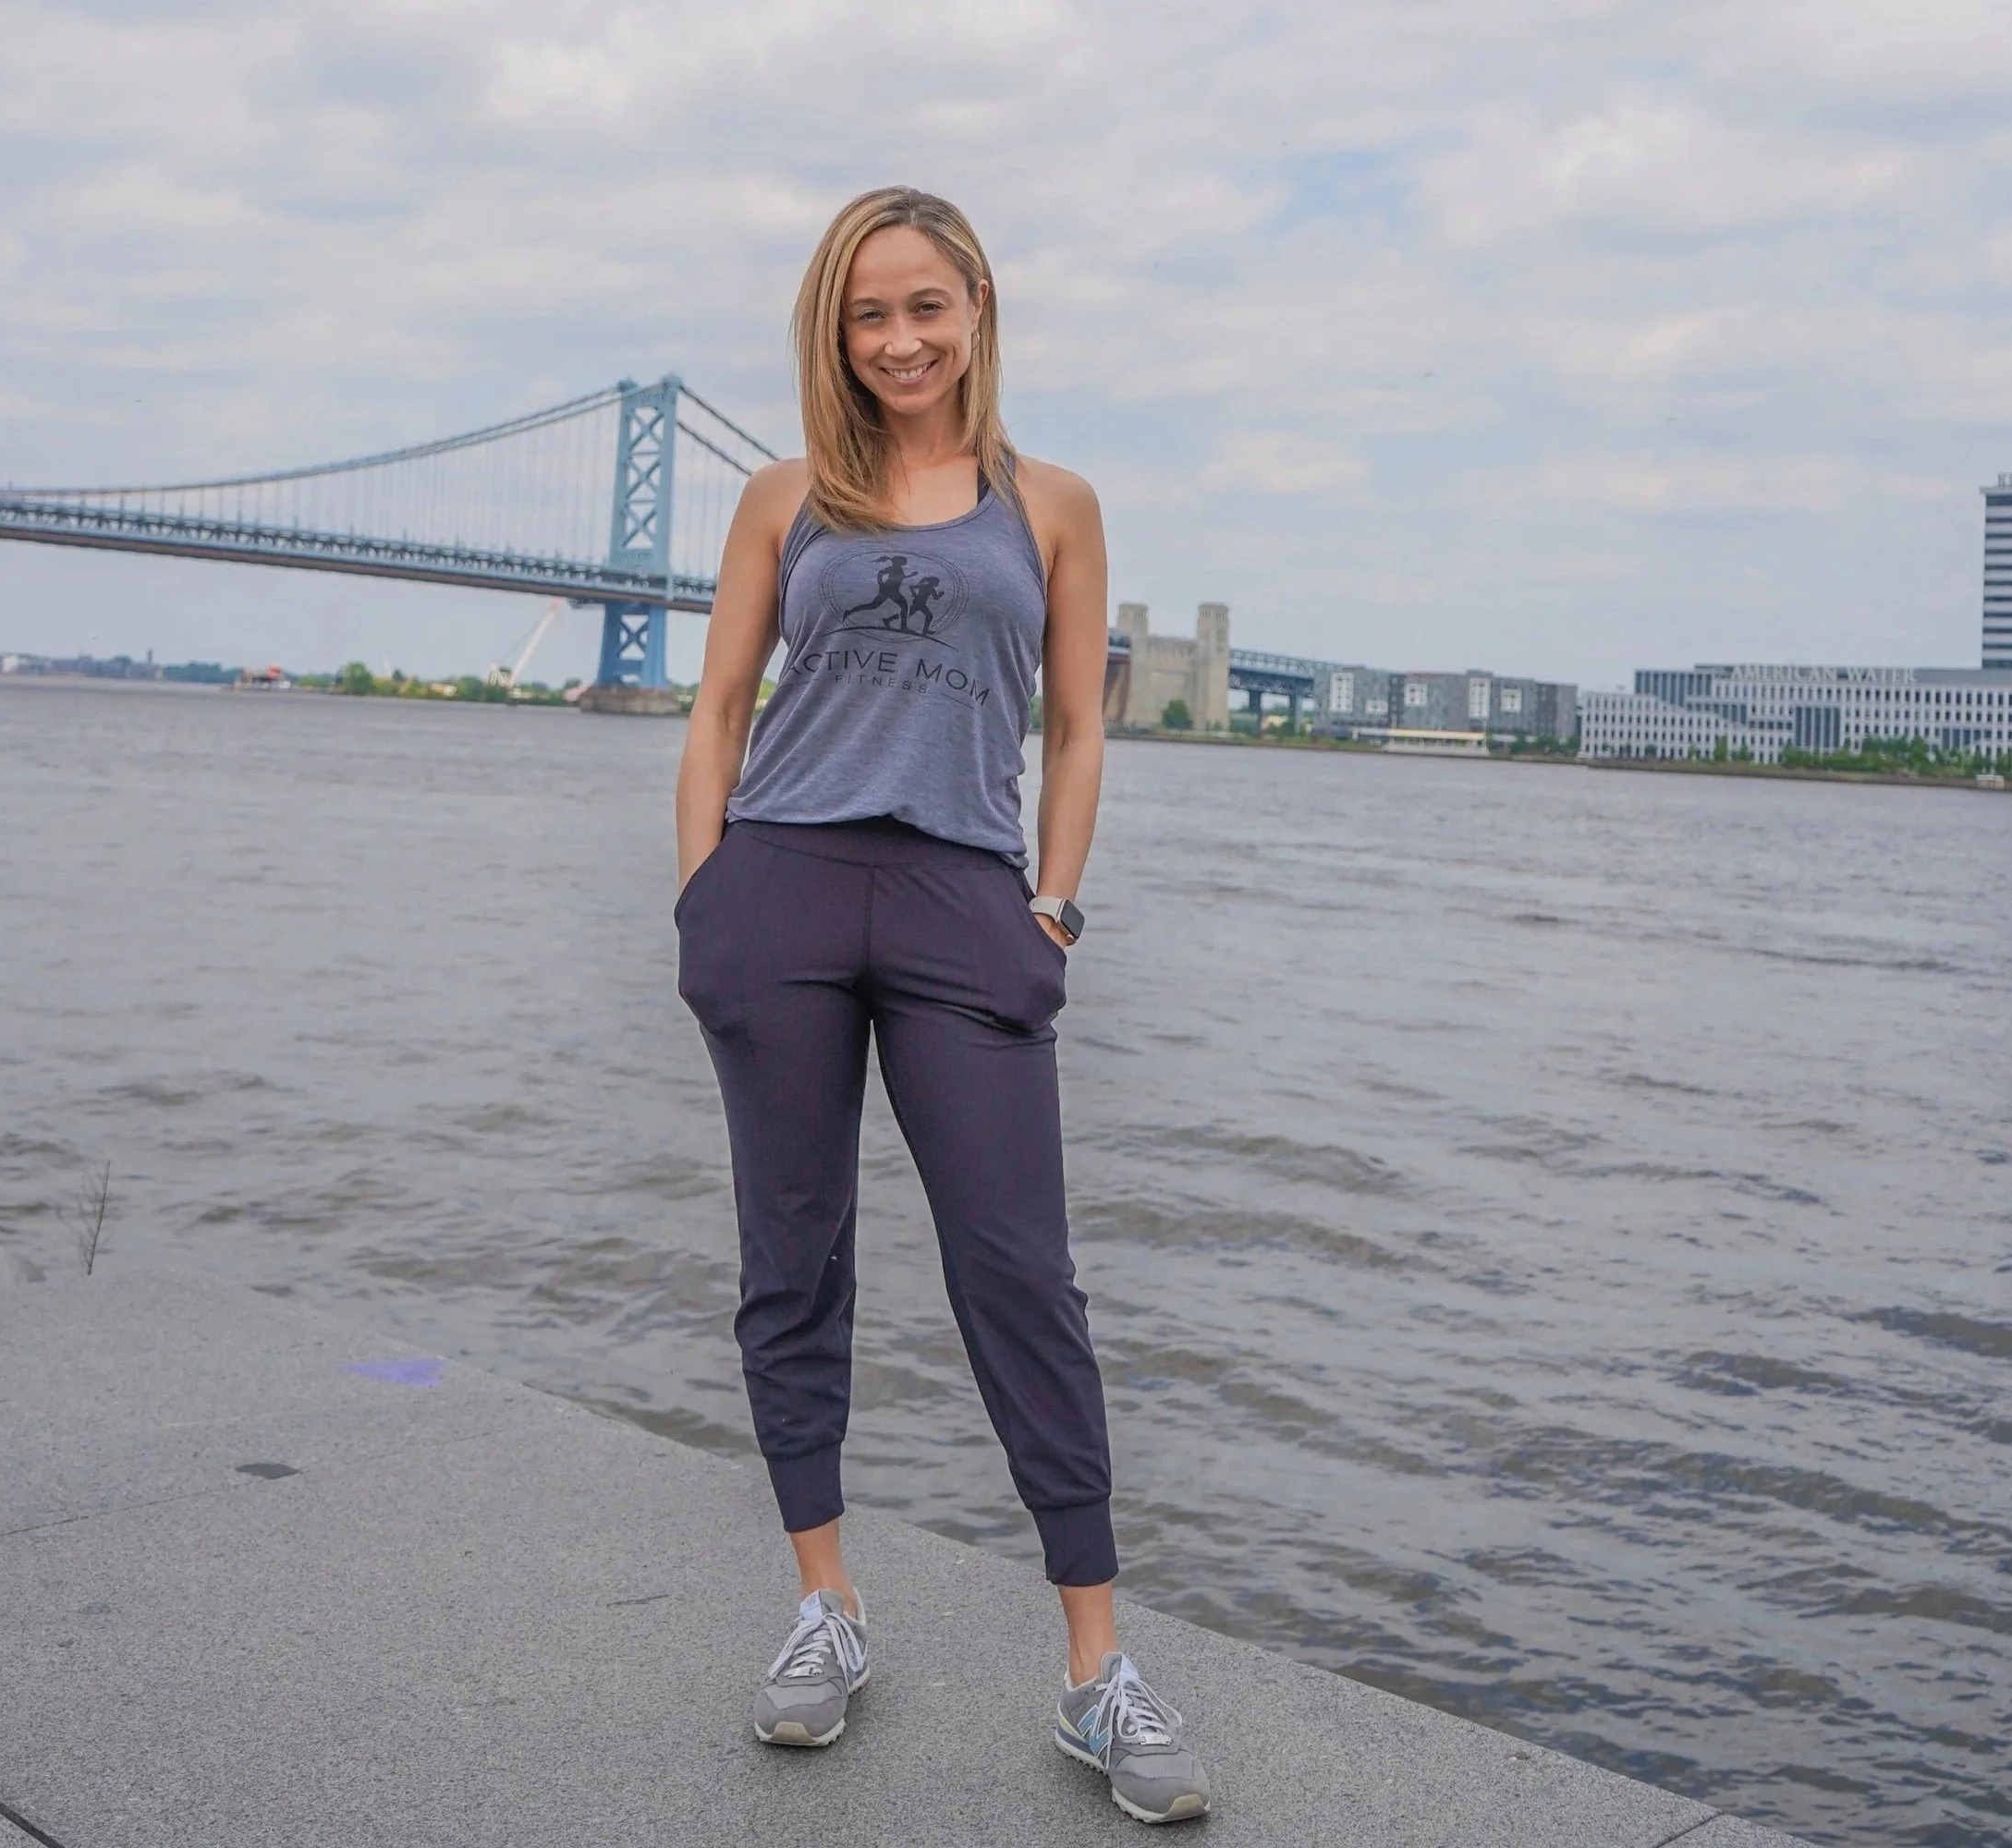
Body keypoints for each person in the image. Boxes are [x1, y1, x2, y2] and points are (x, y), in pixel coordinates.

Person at [673, 186, 1211, 1827]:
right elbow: (718, 709)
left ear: (976, 307)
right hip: (781, 884)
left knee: (1020, 1277)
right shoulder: (784, 498)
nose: (898, 340)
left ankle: (1096, 1670)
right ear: (833, 333)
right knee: (793, 1258)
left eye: (924, 306)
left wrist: (1052, 908)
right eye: (866, 314)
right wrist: (704, 902)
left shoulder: (1054, 505)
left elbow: (1079, 726)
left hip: (965, 904)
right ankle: (825, 1606)